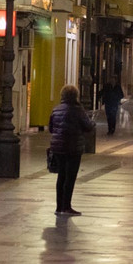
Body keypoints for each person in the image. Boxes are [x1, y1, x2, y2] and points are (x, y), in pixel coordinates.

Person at [48, 84, 94, 216]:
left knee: (61, 176)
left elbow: (51, 128)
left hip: (57, 147)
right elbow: (88, 126)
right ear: (76, 96)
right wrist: (92, 123)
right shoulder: (78, 110)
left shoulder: (56, 109)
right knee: (70, 177)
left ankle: (59, 206)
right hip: (73, 148)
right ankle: (67, 206)